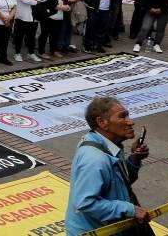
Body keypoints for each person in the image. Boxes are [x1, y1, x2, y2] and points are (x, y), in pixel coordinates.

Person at [64, 96, 150, 236]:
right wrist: (129, 209)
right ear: (102, 122)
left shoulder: (112, 146)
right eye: (122, 117)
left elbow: (119, 182)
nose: (131, 122)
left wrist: (134, 160)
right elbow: (86, 203)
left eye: (128, 115)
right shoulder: (95, 159)